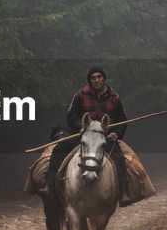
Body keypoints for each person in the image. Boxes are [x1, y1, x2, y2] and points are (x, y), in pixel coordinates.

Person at [43, 67, 133, 207]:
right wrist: (80, 126)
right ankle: (49, 186)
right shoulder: (80, 95)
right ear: (89, 80)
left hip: (104, 136)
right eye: (93, 78)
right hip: (83, 134)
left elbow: (123, 120)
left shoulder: (114, 98)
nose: (97, 80)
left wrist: (116, 133)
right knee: (58, 149)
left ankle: (123, 193)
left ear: (104, 78)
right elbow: (71, 115)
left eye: (99, 77)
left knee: (119, 158)